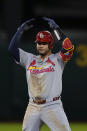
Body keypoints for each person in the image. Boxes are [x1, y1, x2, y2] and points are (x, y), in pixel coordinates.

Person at [8, 17, 74, 131]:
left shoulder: (58, 59)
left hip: (52, 106)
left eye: (44, 43)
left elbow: (68, 48)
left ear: (51, 45)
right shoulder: (29, 59)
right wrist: (20, 30)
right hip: (33, 106)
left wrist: (56, 30)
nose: (40, 45)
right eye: (38, 42)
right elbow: (12, 49)